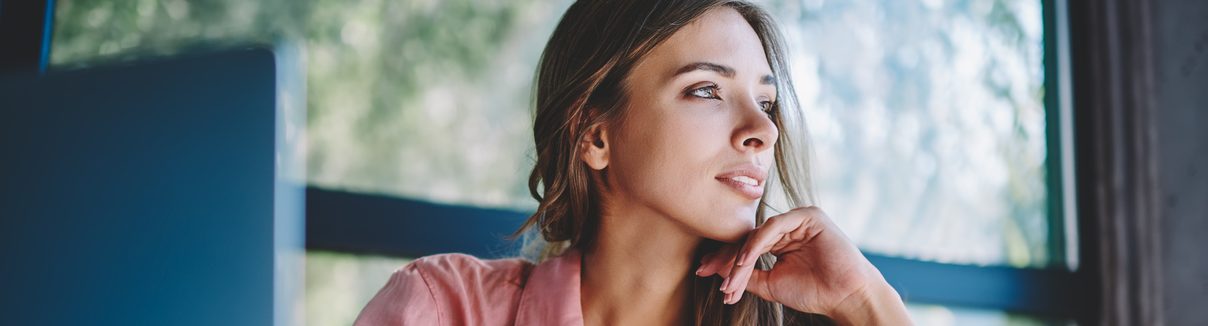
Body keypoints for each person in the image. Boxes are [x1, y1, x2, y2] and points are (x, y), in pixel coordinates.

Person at [355, 0, 912, 325]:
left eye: (765, 102)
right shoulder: (442, 309)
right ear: (594, 135)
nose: (763, 130)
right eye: (706, 91)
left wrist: (864, 300)